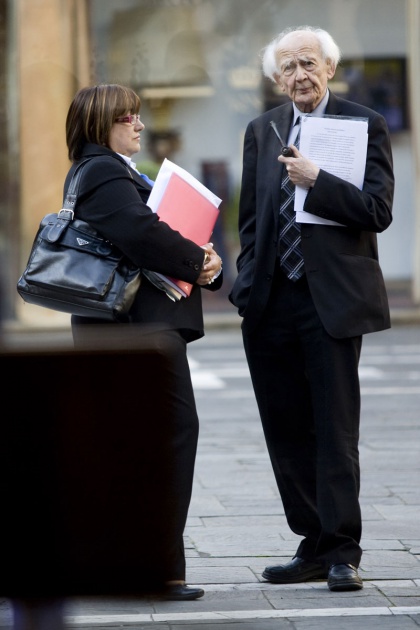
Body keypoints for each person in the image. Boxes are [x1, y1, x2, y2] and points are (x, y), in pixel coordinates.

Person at [229, 26, 394, 592]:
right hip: (271, 301)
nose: (299, 75)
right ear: (277, 79)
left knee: (334, 427)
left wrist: (317, 181)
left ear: (329, 67)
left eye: (308, 63)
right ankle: (313, 543)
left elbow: (376, 209)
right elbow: (252, 220)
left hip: (332, 299)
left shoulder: (362, 124)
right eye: (288, 68)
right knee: (286, 428)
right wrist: (246, 284)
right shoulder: (262, 129)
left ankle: (343, 549)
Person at [64, 83, 223, 601]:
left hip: (129, 329)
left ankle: (139, 564)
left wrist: (206, 265)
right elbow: (141, 232)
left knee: (138, 441)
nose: (138, 123)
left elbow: (147, 231)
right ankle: (153, 567)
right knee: (164, 437)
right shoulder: (103, 170)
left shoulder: (109, 171)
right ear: (100, 124)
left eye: (137, 114)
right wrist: (199, 261)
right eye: (127, 116)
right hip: (133, 331)